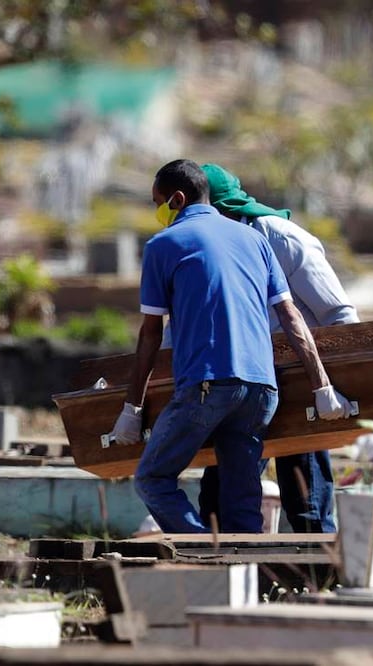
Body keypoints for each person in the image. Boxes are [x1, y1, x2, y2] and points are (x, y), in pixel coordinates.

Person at [108, 159, 351, 533]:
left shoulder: (263, 236)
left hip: (228, 385)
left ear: (178, 199)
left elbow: (152, 335)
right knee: (231, 501)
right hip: (262, 387)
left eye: (158, 203)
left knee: (154, 479)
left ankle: (208, 550)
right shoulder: (252, 242)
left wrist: (132, 408)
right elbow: (288, 316)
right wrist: (323, 388)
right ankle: (242, 572)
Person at [196, 163, 359, 534]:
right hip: (240, 383)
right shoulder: (201, 248)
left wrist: (331, 385)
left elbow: (340, 316)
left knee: (307, 502)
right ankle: (231, 578)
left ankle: (319, 582)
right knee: (220, 500)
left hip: (302, 379)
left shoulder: (282, 239)